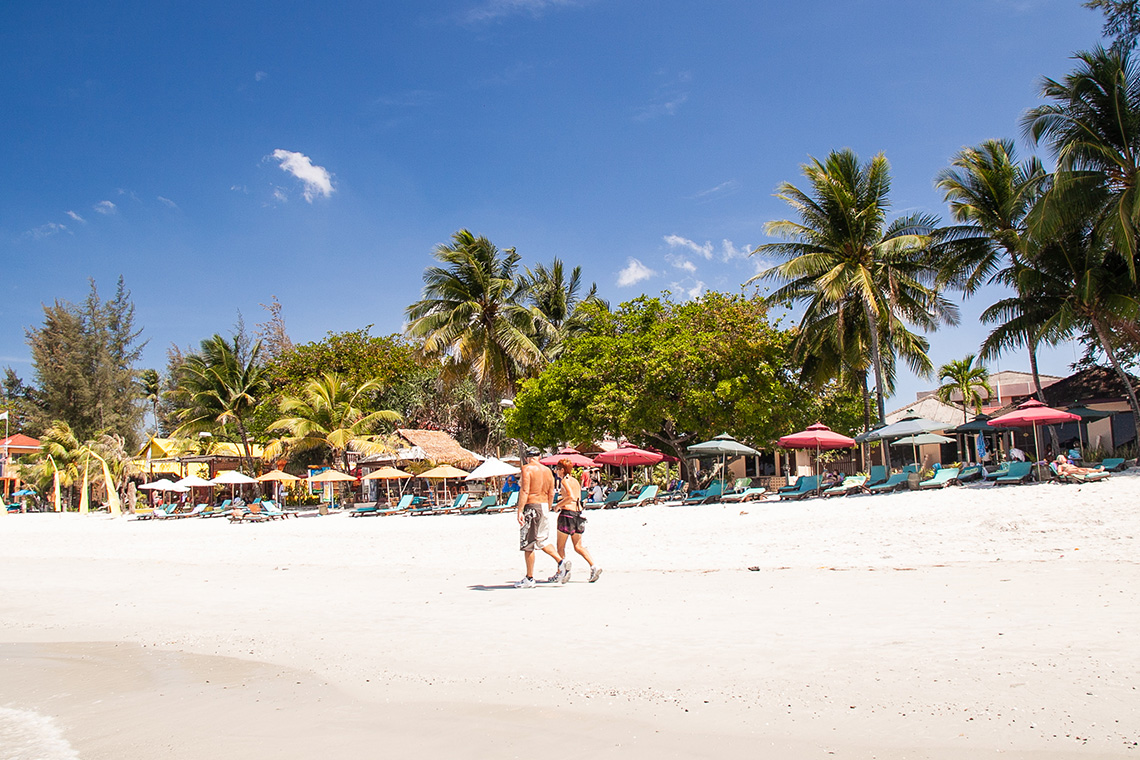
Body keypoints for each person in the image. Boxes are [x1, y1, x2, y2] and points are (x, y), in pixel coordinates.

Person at [515, 447, 567, 588]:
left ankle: (529, 578)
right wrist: (548, 507)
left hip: (532, 506)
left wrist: (520, 510)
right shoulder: (548, 471)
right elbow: (551, 492)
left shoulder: (527, 469)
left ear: (527, 458)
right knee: (542, 540)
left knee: (528, 544)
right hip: (544, 506)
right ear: (539, 457)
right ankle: (561, 562)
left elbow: (525, 490)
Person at [551, 459, 602, 583]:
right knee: (578, 546)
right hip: (578, 514)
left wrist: (558, 505)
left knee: (560, 547)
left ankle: (561, 572)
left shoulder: (565, 480)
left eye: (557, 468)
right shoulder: (575, 481)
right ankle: (594, 566)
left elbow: (570, 497)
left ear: (562, 470)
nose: (556, 471)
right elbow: (577, 497)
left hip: (567, 514)